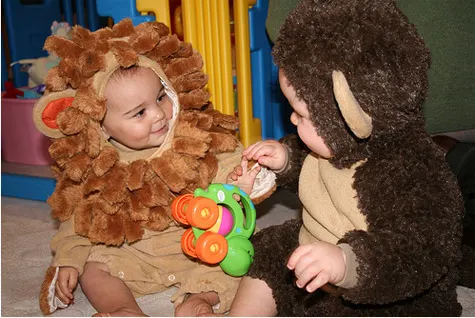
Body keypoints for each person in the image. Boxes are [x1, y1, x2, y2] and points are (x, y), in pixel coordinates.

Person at [223, 0, 464, 316]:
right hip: (315, 245)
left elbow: (419, 248)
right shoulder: (332, 145)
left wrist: (347, 263)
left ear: (350, 118)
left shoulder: (410, 173)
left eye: (301, 114)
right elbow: (316, 172)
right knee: (269, 249)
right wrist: (284, 161)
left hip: (378, 286)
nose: (292, 121)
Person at [34, 19, 275, 317]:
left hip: (202, 247)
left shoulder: (191, 134)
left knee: (248, 255)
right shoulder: (97, 166)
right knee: (95, 265)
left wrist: (243, 179)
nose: (159, 115)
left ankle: (200, 299)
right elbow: (79, 215)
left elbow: (226, 156)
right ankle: (123, 309)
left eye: (161, 97)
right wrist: (69, 257)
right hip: (135, 253)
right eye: (139, 113)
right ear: (101, 127)